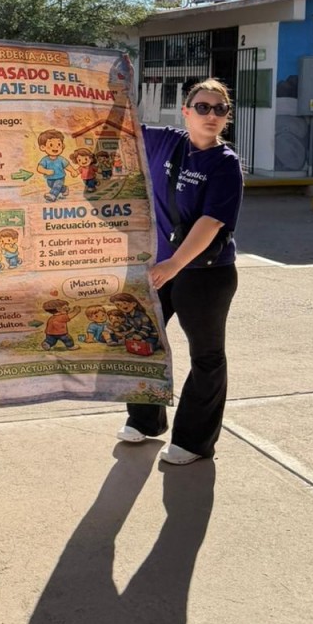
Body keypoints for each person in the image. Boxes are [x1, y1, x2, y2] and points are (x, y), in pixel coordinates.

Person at [117, 78, 243, 465]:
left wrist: (174, 263)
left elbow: (211, 222)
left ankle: (194, 441)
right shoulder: (163, 142)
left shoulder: (225, 164)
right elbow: (116, 125)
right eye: (202, 107)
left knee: (206, 355)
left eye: (219, 109)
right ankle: (145, 419)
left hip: (204, 273)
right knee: (139, 338)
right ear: (186, 112)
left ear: (227, 117)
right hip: (159, 265)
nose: (211, 115)